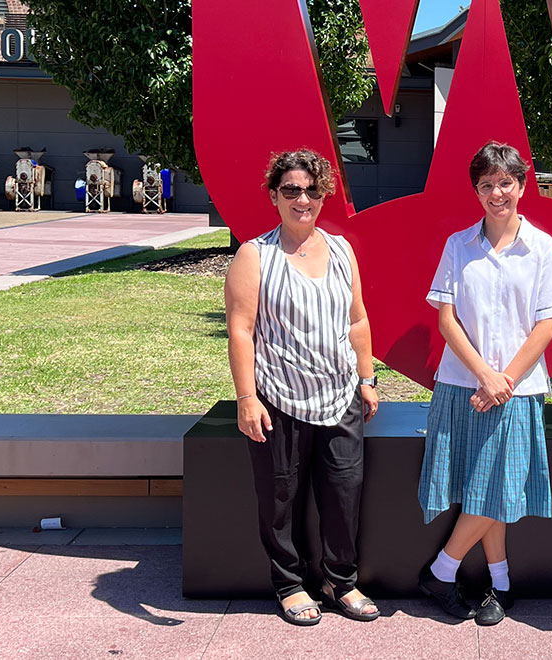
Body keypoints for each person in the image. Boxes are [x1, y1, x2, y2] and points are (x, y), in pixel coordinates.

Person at [417, 141, 552, 626]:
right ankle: (500, 583)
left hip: (519, 389)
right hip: (463, 384)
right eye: (486, 185)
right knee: (483, 486)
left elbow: (547, 325)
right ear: (476, 191)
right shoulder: (458, 245)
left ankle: (442, 571)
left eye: (506, 182)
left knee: (498, 487)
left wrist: (504, 379)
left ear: (523, 186)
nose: (496, 193)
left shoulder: (543, 248)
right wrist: (484, 374)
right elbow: (446, 318)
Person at [224, 149, 381, 626]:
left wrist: (367, 377)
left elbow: (356, 319)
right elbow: (241, 330)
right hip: (279, 398)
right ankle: (290, 584)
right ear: (274, 196)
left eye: (312, 190)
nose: (302, 199)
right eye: (291, 190)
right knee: (280, 498)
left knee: (344, 492)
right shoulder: (255, 254)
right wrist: (247, 398)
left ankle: (341, 581)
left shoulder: (341, 250)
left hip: (339, 396)